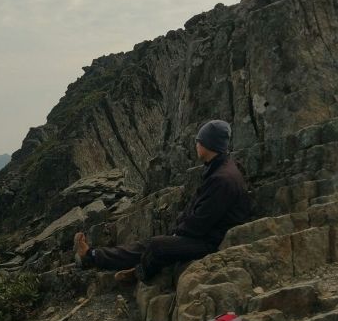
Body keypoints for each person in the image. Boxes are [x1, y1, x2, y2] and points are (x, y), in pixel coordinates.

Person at [74, 119, 250, 283]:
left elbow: (201, 223)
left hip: (211, 242)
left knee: (157, 246)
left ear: (210, 144)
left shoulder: (222, 179)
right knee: (148, 244)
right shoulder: (218, 170)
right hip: (205, 236)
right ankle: (92, 255)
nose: (196, 144)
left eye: (199, 140)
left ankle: (139, 272)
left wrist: (177, 233)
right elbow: (197, 210)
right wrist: (178, 228)